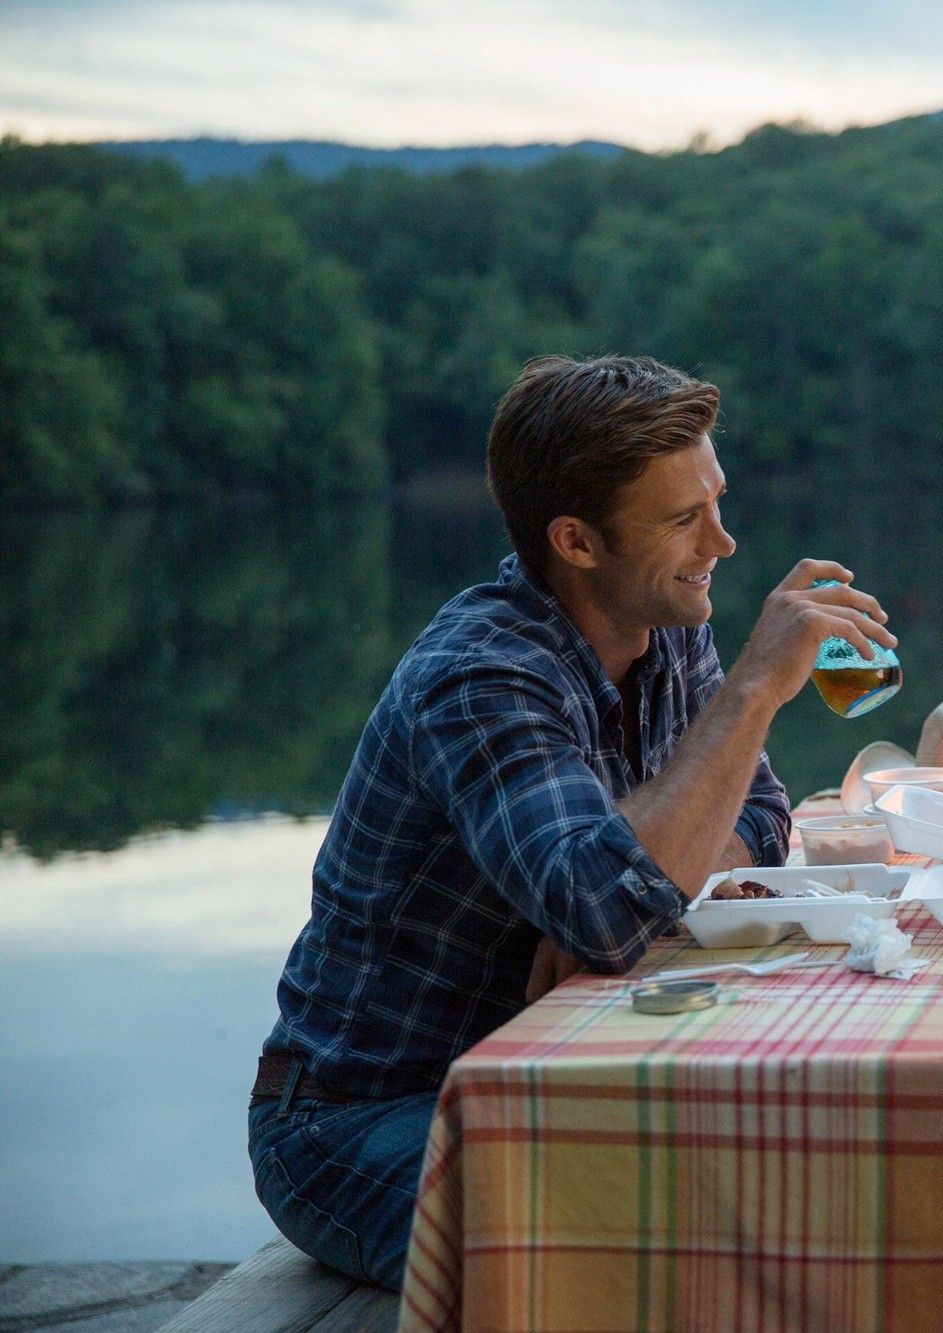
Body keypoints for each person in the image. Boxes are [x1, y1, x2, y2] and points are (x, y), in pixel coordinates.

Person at [247, 355, 897, 1288]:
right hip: (365, 1113)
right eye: (684, 519)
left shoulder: (671, 623)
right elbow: (608, 908)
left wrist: (637, 883)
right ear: (577, 542)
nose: (725, 541)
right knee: (622, 1258)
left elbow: (760, 812)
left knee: (790, 1184)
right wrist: (755, 688)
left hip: (552, 1063)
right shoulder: (479, 678)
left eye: (716, 501)